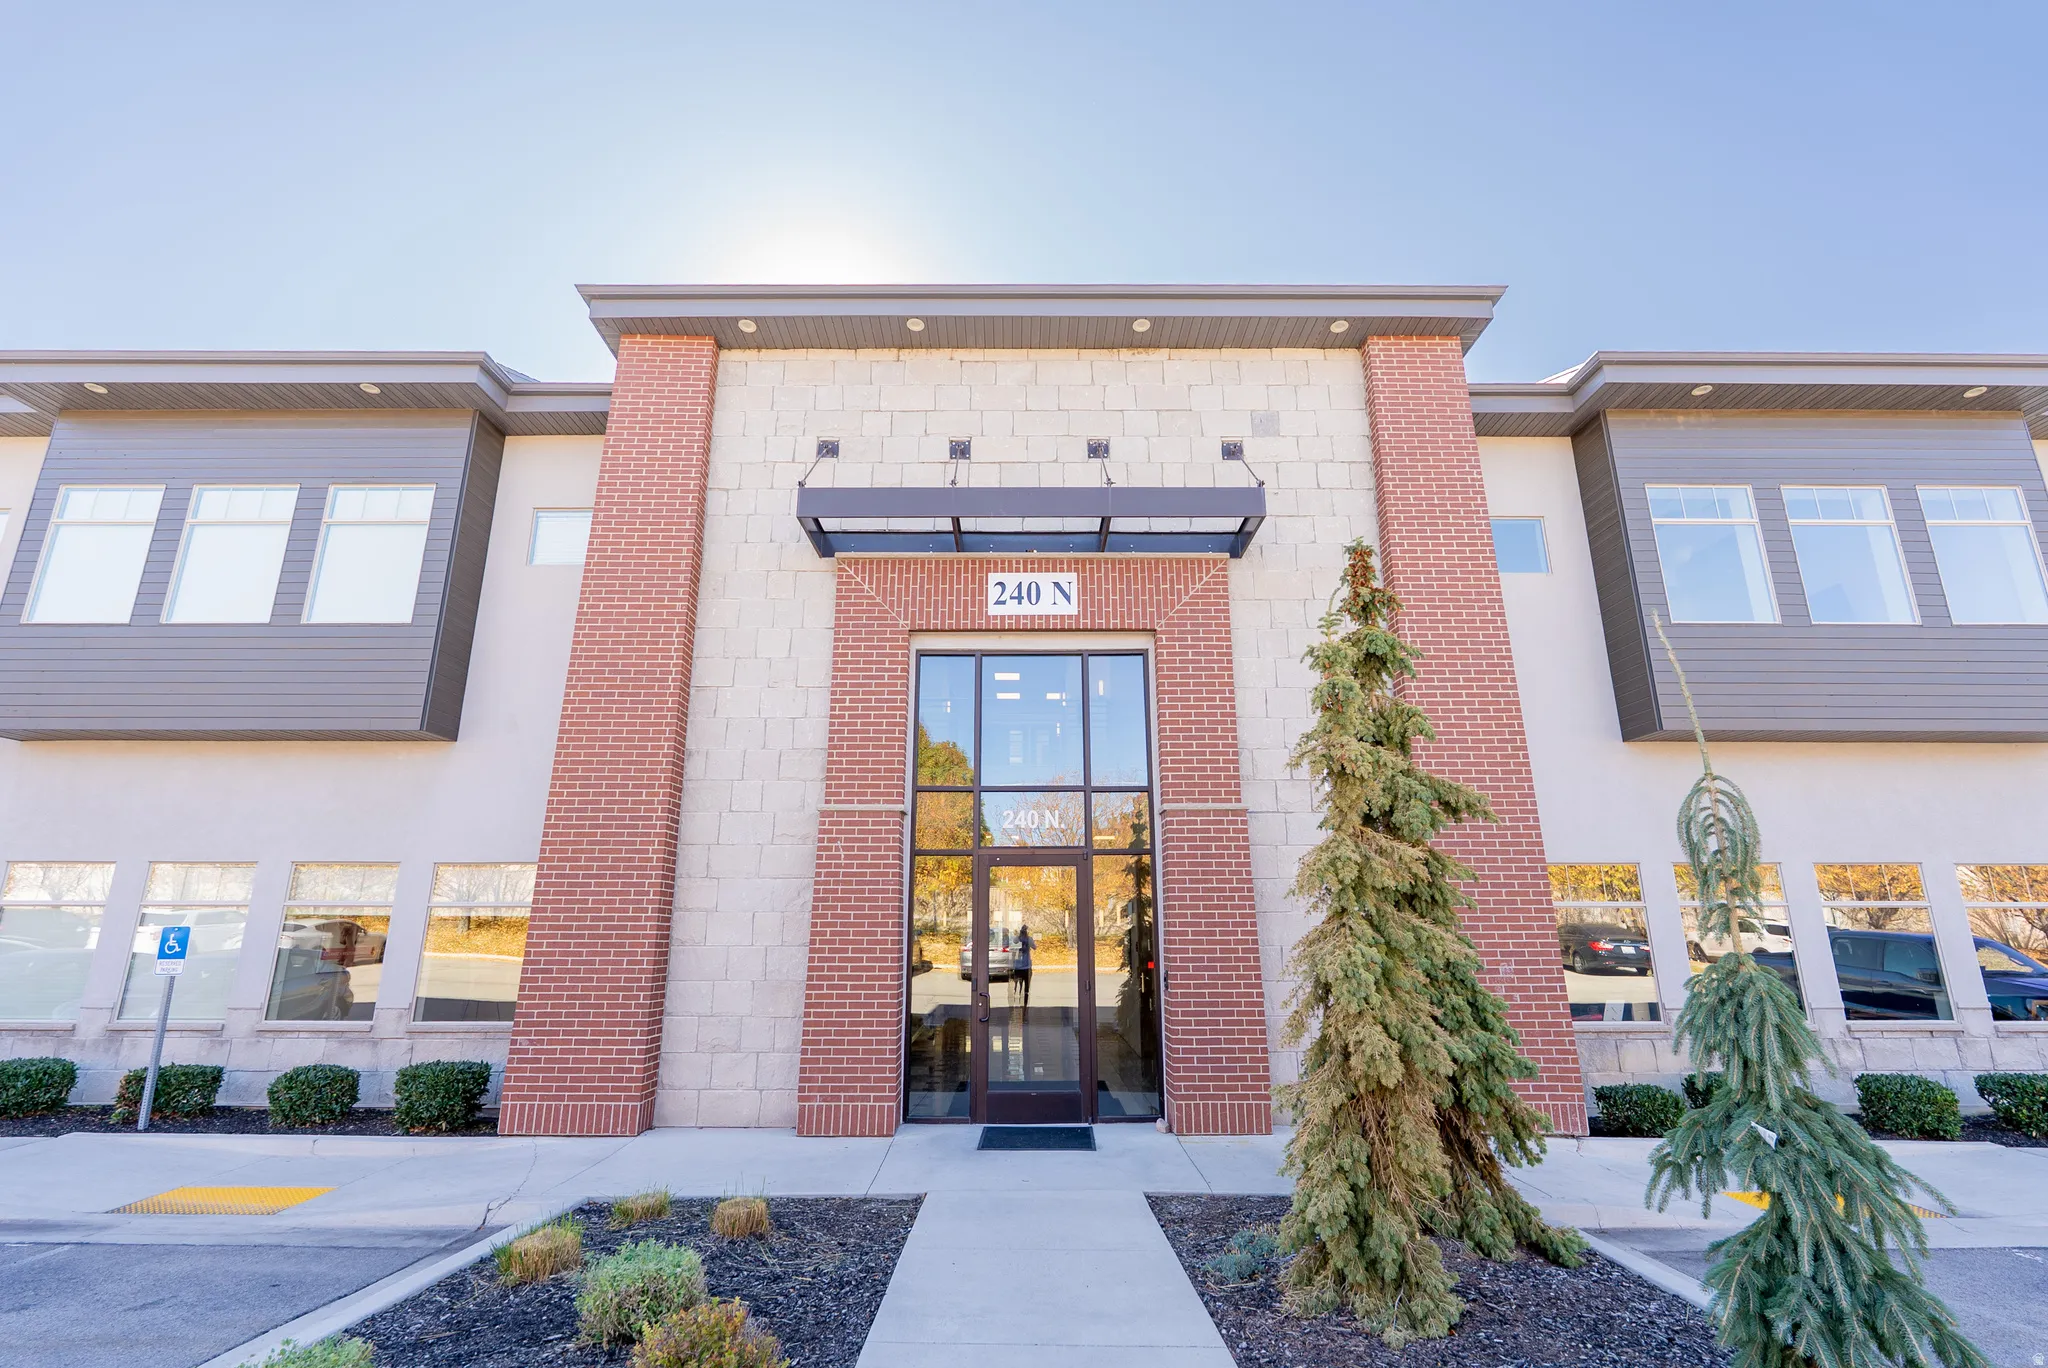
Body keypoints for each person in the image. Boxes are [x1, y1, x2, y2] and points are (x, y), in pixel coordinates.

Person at [1012, 923, 1034, 1008]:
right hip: (1026, 966)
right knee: (1026, 987)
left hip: (1017, 966)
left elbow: (1013, 945)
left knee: (1016, 984)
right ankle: (1025, 1003)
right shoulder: (1029, 939)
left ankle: (1015, 998)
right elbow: (1034, 947)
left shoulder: (1016, 939)